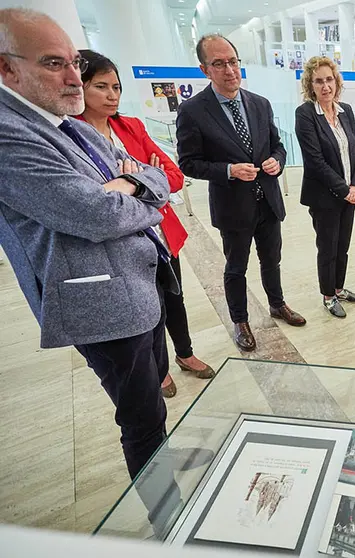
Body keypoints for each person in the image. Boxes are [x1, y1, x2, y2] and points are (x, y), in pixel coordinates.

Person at [0, 9, 210, 517]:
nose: (74, 76)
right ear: (7, 69)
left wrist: (131, 183)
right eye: (54, 63)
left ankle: (163, 457)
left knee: (153, 396)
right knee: (138, 413)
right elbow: (96, 214)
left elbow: (155, 175)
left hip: (138, 280)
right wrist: (131, 190)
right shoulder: (11, 135)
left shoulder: (62, 123)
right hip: (103, 301)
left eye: (73, 61)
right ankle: (169, 515)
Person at [77, 50, 215, 398]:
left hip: (159, 234)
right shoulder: (73, 137)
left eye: (117, 87)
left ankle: (185, 353)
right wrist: (147, 180)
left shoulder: (131, 127)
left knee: (174, 297)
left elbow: (173, 175)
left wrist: (138, 179)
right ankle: (161, 370)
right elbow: (95, 202)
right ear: (80, 88)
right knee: (147, 309)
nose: (112, 95)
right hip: (123, 244)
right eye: (101, 87)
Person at [177, 34, 305, 353]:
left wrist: (278, 159)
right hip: (233, 206)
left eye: (233, 61)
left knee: (271, 259)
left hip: (268, 200)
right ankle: (240, 320)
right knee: (236, 267)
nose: (229, 70)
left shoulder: (259, 103)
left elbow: (277, 144)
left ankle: (277, 304)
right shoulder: (193, 111)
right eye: (219, 64)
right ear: (205, 69)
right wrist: (228, 170)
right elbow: (189, 163)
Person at [295, 56, 355, 318]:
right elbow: (315, 161)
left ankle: (339, 287)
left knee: (343, 245)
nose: (325, 86)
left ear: (336, 82)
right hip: (325, 196)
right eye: (318, 81)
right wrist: (345, 190)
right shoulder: (305, 114)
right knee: (328, 246)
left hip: (350, 194)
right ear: (310, 85)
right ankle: (328, 295)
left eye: (329, 80)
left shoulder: (345, 110)